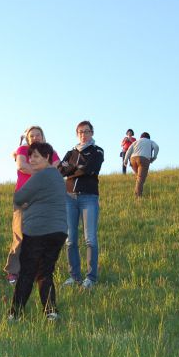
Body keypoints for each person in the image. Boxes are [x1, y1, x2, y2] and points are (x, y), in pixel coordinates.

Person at [8, 142, 67, 321]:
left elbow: (18, 197)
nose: (31, 160)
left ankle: (15, 313)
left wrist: (29, 204)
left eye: (36, 156)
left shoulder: (40, 176)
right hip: (58, 231)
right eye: (30, 156)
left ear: (47, 158)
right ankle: (51, 312)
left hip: (37, 231)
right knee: (45, 272)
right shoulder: (57, 176)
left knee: (27, 272)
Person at [4, 126, 59, 283]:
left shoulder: (51, 152)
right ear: (28, 139)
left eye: (38, 135)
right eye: (32, 135)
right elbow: (21, 165)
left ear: (43, 137)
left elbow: (57, 167)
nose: (35, 137)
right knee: (20, 235)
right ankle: (13, 271)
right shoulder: (22, 149)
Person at [59, 120, 104, 288]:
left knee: (90, 239)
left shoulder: (97, 151)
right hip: (69, 198)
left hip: (89, 198)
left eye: (86, 131)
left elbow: (89, 169)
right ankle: (74, 276)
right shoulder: (70, 152)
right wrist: (75, 167)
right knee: (70, 240)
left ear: (92, 133)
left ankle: (91, 278)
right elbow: (60, 170)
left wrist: (71, 168)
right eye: (80, 132)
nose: (83, 134)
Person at [123, 132, 159, 197]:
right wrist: (154, 157)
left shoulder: (136, 142)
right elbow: (156, 147)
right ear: (148, 137)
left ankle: (139, 192)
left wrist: (125, 161)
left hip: (133, 159)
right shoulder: (150, 141)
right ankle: (137, 197)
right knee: (141, 178)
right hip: (144, 159)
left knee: (139, 177)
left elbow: (129, 150)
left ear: (141, 137)